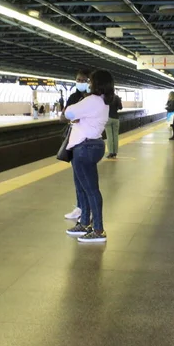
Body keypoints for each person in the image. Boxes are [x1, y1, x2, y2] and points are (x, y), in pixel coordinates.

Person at [64, 70, 113, 243]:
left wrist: (76, 116)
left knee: (90, 189)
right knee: (84, 187)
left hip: (85, 147)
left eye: (91, 81)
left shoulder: (92, 100)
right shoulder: (103, 101)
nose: (88, 83)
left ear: (97, 83)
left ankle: (98, 230)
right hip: (92, 145)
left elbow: (68, 113)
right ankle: (84, 223)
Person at [64, 70, 91, 220]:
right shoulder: (73, 97)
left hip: (88, 141)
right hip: (75, 139)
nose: (80, 82)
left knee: (86, 179)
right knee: (77, 177)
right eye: (78, 79)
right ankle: (80, 208)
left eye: (83, 80)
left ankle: (86, 211)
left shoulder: (93, 98)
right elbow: (65, 115)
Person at [105, 92, 123, 159]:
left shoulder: (106, 97)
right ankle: (115, 153)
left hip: (108, 118)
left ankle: (111, 153)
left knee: (109, 136)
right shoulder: (117, 97)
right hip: (116, 118)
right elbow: (121, 107)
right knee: (115, 136)